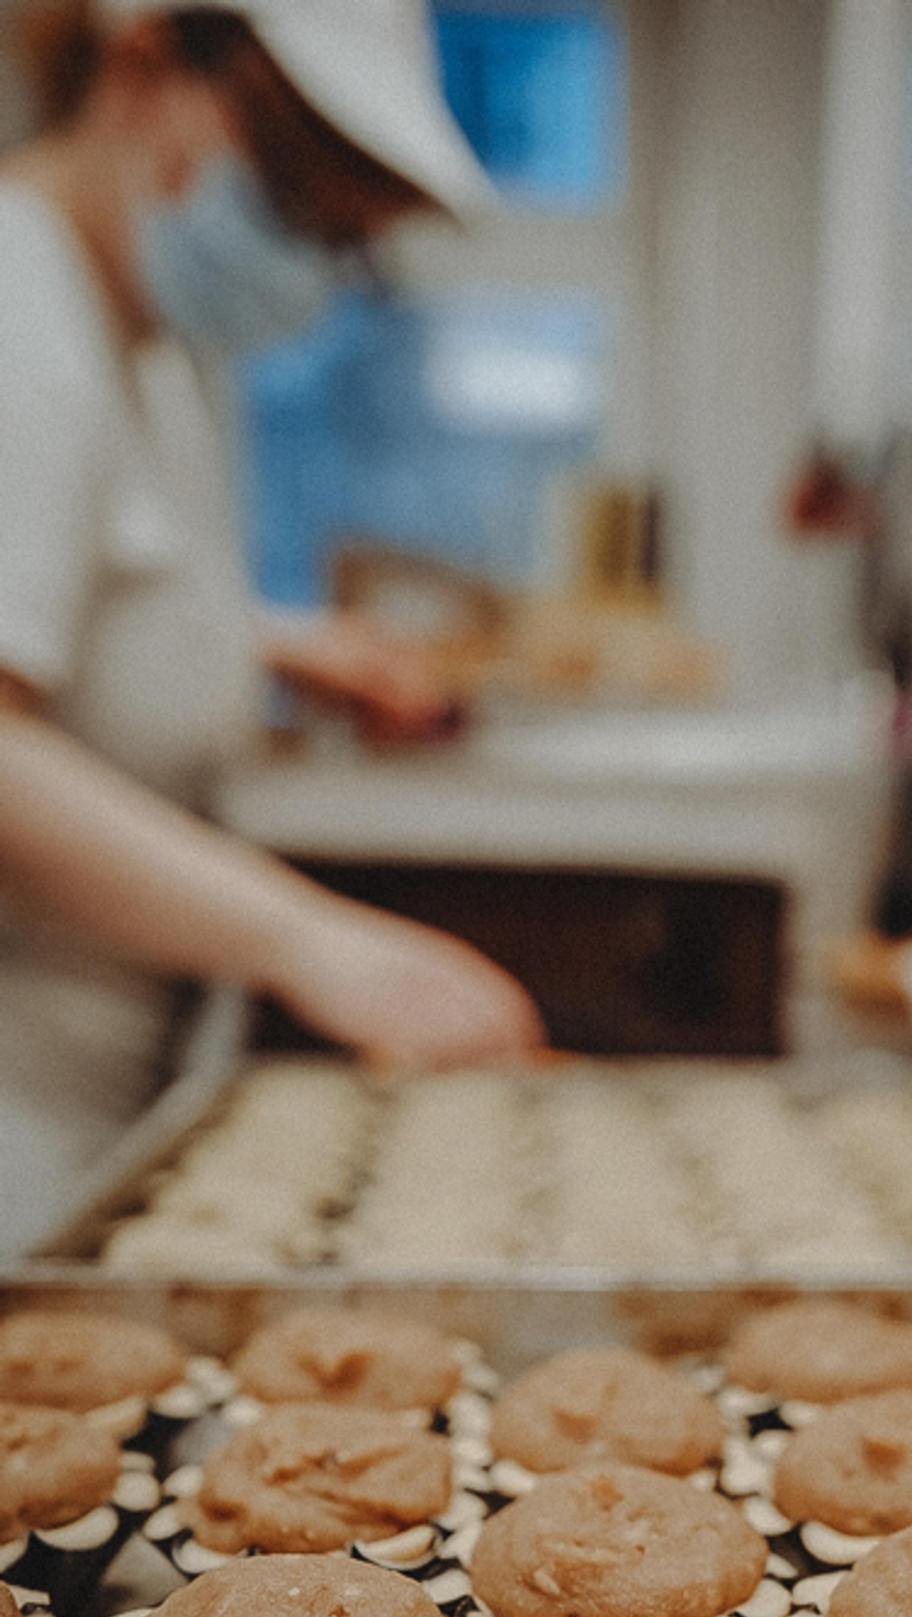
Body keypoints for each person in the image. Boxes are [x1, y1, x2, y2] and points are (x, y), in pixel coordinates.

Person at [0, 0, 544, 1246]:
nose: (302, 255)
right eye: (296, 196)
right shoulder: (15, 308)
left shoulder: (135, 332)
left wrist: (277, 644)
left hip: (103, 1070)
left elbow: (69, 596)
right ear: (144, 66)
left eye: (340, 237)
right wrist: (313, 941)